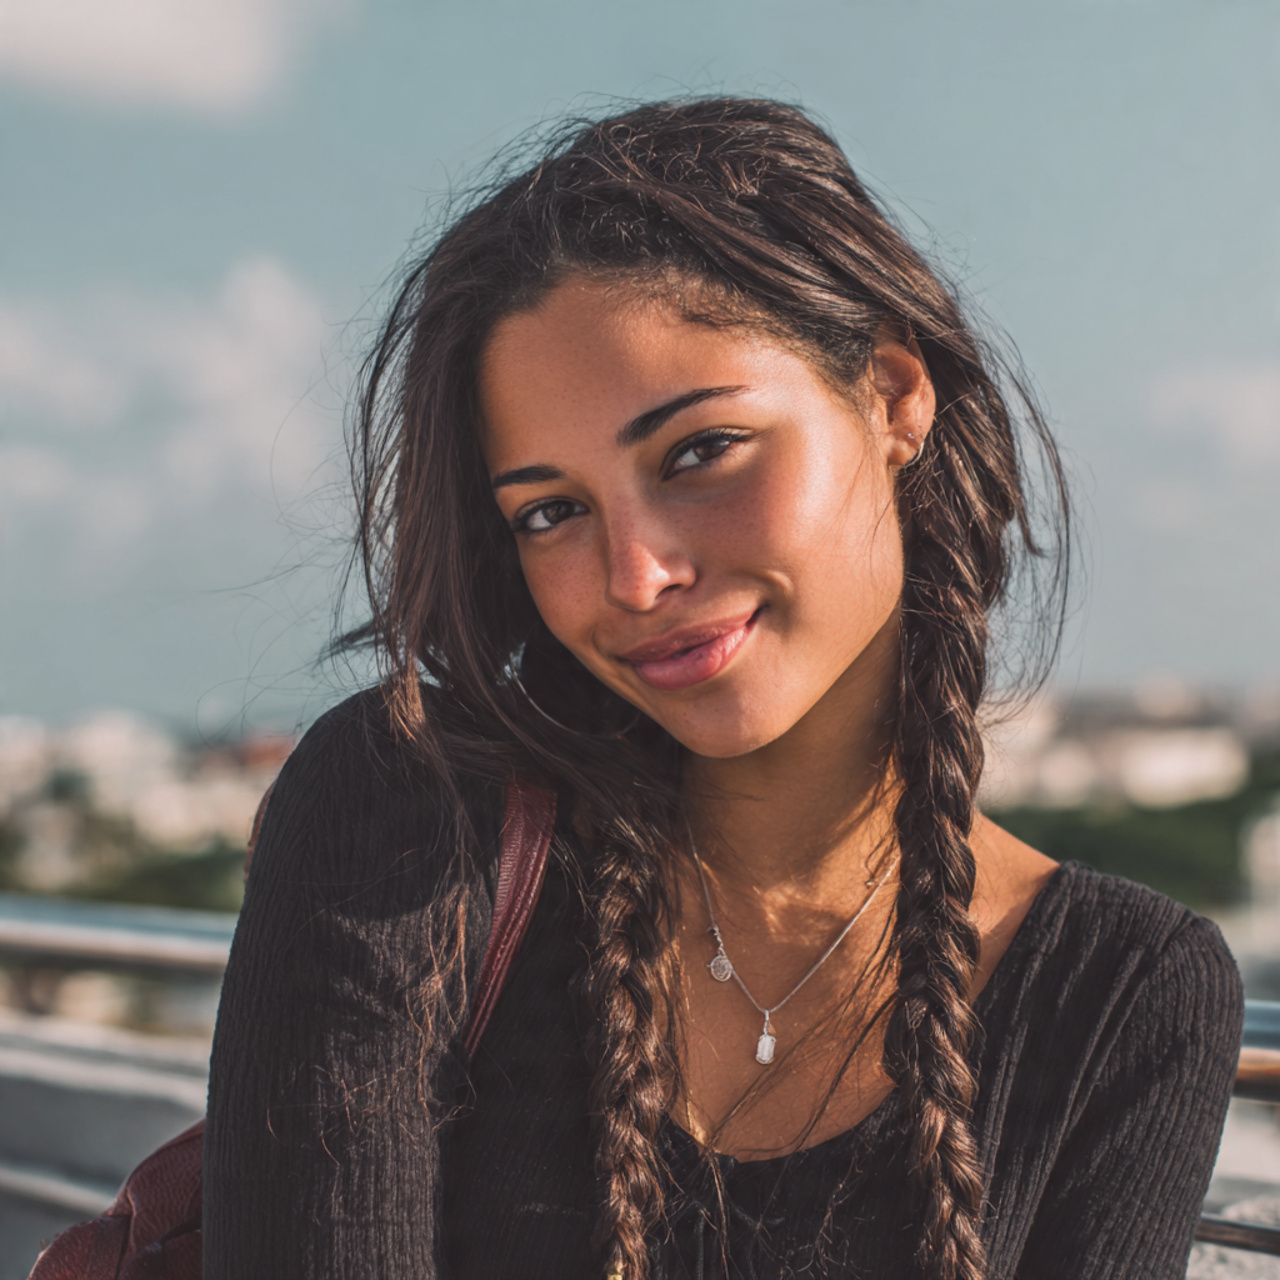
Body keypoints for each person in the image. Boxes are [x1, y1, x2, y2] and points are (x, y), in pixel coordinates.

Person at [202, 97, 1242, 1280]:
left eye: (698, 451)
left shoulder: (1121, 993)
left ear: (893, 396)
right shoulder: (403, 823)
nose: (636, 574)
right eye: (551, 511)